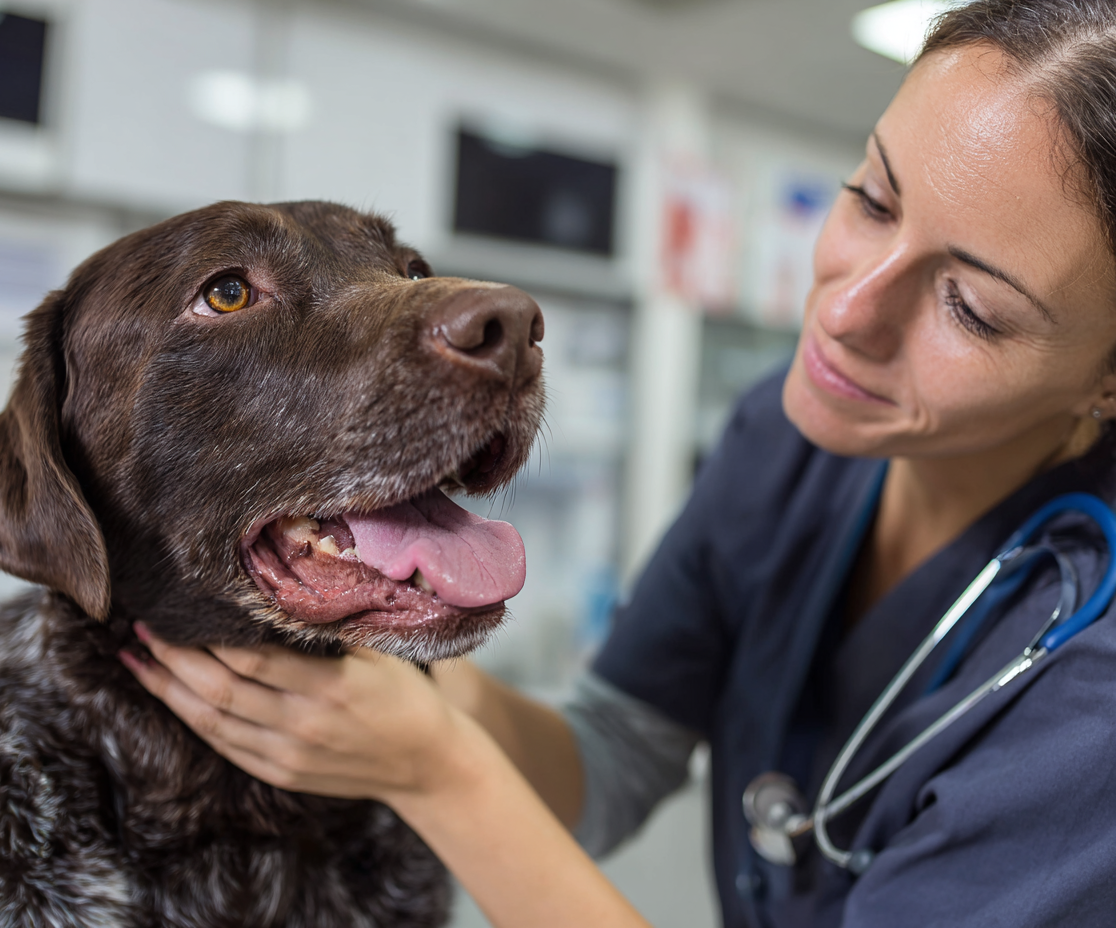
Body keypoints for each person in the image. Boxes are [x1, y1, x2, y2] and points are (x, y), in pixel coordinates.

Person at [120, 2, 1116, 924]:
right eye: (873, 198)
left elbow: (473, 781)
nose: (848, 310)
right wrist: (411, 661)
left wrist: (434, 770)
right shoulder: (785, 442)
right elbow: (614, 756)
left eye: (969, 308)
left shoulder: (1098, 702)